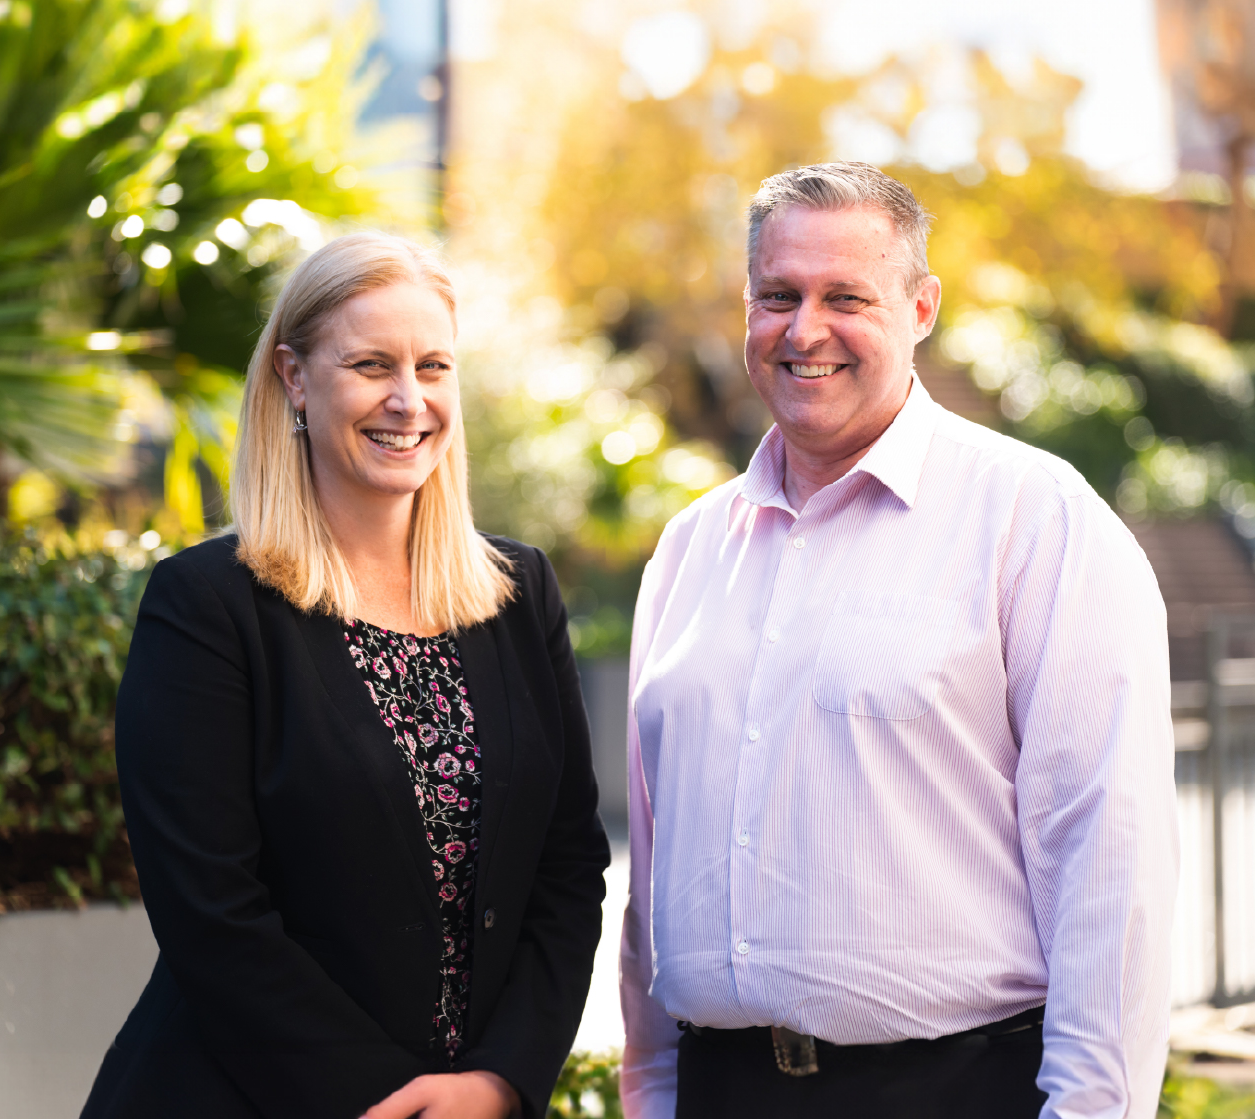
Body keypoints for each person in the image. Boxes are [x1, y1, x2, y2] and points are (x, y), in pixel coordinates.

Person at [619, 163, 1177, 1119]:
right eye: (778, 296)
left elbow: (1108, 862)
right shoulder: (688, 549)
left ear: (921, 308)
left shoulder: (1035, 520)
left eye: (847, 296)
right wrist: (655, 1094)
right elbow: (652, 867)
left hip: (953, 1091)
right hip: (719, 1092)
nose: (805, 330)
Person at [82, 232, 611, 1119]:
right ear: (294, 377)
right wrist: (386, 1100)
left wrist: (498, 1080)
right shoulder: (207, 606)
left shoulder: (520, 594)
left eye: (433, 366)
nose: (410, 401)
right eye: (372, 364)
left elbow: (568, 866)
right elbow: (213, 910)